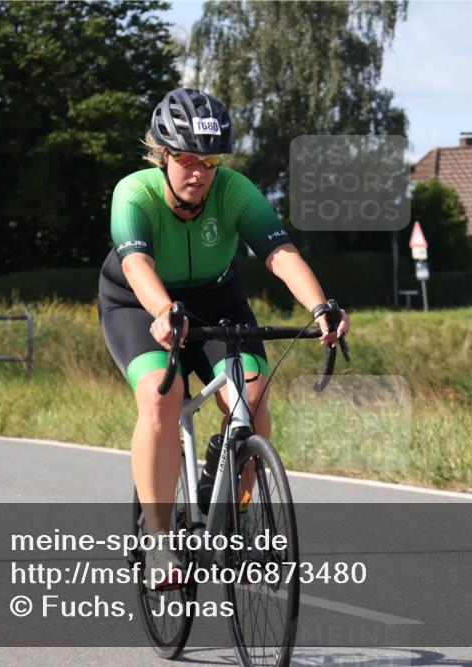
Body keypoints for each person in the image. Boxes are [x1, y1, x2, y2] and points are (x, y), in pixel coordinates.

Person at [97, 88, 349, 587]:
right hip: (138, 302)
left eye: (209, 160)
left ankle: (225, 518)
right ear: (164, 156)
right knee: (161, 396)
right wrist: (165, 310)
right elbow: (137, 263)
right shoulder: (134, 192)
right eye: (187, 158)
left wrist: (320, 306)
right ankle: (159, 540)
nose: (199, 171)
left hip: (218, 302)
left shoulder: (235, 192)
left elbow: (281, 255)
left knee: (252, 399)